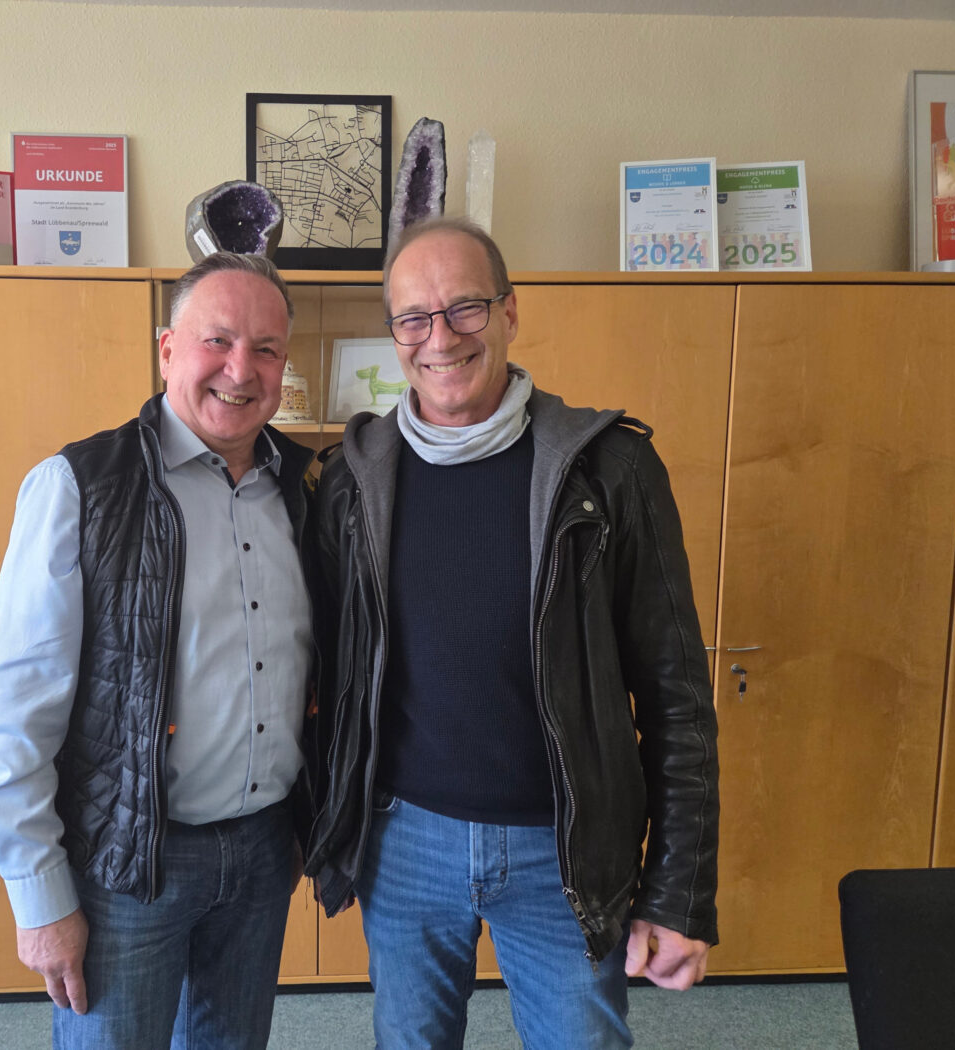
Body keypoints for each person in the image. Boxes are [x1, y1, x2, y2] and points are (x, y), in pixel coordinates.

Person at [305, 217, 720, 1048]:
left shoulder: (611, 470)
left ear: (510, 311)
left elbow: (675, 695)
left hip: (563, 850)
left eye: (465, 307)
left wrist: (680, 891)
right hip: (405, 843)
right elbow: (326, 677)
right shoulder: (351, 481)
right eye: (413, 318)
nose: (440, 338)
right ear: (394, 333)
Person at [0, 251, 316, 1050]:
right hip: (127, 868)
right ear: (167, 350)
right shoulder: (80, 486)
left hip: (264, 855)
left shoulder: (303, 490)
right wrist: (39, 897)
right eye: (216, 340)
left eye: (266, 349)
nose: (241, 370)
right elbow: (20, 711)